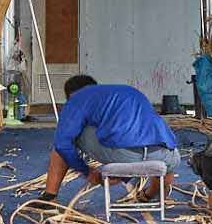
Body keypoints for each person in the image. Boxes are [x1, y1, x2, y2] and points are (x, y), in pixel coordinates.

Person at [40, 75, 180, 203]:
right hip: (164, 155)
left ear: (71, 95)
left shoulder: (77, 99)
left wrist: (87, 172)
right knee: (170, 161)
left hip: (123, 154)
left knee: (65, 138)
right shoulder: (128, 91)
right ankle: (150, 195)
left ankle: (49, 197)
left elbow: (62, 145)